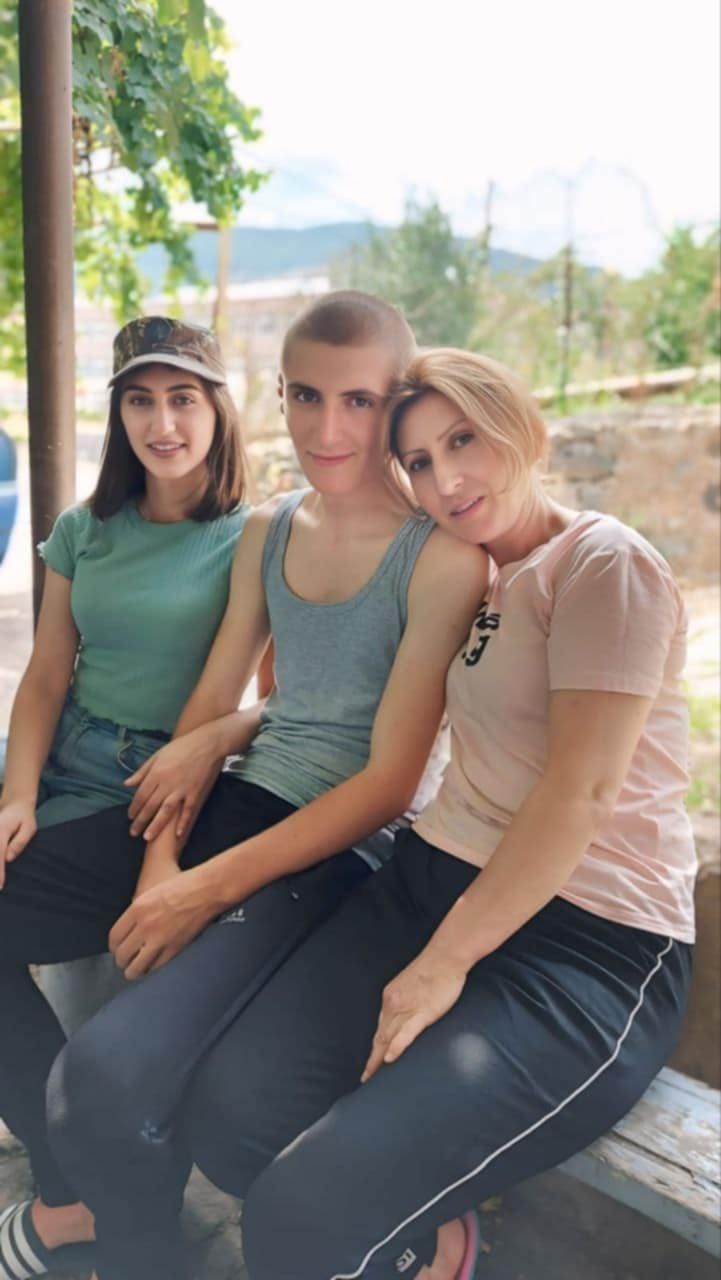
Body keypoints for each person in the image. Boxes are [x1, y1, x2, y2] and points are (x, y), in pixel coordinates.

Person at [113, 346, 694, 1280]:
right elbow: (344, 700)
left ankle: (400, 1233)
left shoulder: (601, 563)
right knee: (233, 1114)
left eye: (462, 440)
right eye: (419, 460)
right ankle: (428, 1240)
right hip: (434, 878)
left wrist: (441, 965)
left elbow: (579, 793)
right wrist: (228, 729)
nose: (445, 479)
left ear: (519, 427)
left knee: (301, 1216)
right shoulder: (476, 573)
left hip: (589, 936)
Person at [0, 298, 486, 1280]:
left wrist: (199, 890)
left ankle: (125, 1241)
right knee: (105, 1085)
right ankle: (102, 1221)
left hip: (331, 848)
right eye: (304, 396)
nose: (326, 427)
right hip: (226, 805)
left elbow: (388, 782)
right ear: (277, 396)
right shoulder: (271, 526)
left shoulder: (440, 560)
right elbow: (215, 702)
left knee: (107, 1081)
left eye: (359, 400)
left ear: (398, 402)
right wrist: (160, 858)